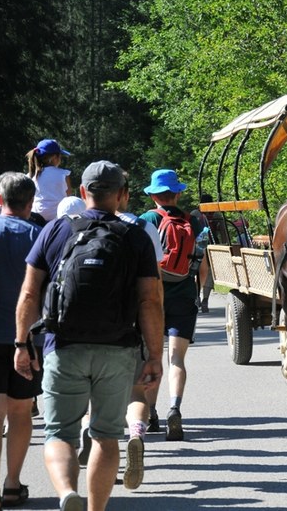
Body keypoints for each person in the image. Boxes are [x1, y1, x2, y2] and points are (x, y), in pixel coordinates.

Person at [14, 160, 163, 511]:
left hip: (63, 346)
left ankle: (67, 492)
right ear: (122, 196)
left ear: (83, 193)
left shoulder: (54, 231)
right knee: (106, 437)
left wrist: (22, 343)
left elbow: (29, 293)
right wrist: (154, 355)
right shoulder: (136, 236)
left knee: (60, 433)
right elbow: (150, 300)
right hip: (118, 350)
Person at [0, 173, 42, 510]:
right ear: (30, 203)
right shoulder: (39, 235)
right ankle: (12, 484)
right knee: (20, 412)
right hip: (26, 338)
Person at [139, 169, 208, 440]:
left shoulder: (146, 220)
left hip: (153, 299)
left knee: (152, 357)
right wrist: (200, 294)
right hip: (184, 294)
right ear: (178, 194)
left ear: (153, 195)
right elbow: (201, 262)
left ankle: (152, 413)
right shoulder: (193, 221)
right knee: (176, 358)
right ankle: (174, 409)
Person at [116, 172, 162, 490]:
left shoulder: (74, 226)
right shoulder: (143, 228)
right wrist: (155, 344)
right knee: (136, 392)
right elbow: (153, 290)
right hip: (131, 325)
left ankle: (90, 442)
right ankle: (136, 435)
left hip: (86, 328)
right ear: (125, 194)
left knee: (95, 396)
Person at [26, 139, 73, 222]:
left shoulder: (30, 176)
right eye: (60, 156)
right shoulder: (64, 174)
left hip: (35, 219)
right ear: (54, 157)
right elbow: (69, 197)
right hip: (58, 219)